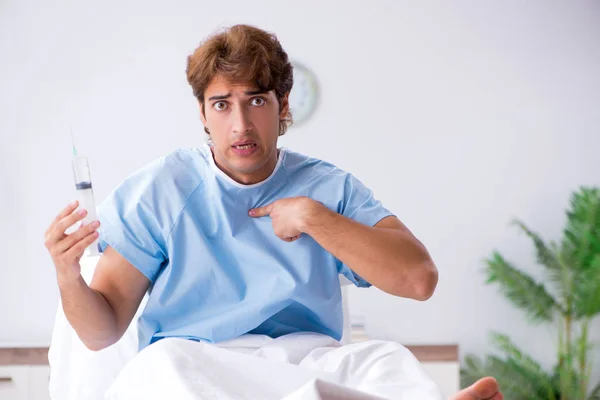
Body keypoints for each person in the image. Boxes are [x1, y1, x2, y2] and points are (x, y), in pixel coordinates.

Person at [44, 24, 501, 400]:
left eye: (256, 101)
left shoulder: (327, 187)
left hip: (308, 362)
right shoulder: (164, 188)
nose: (240, 124)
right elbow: (102, 334)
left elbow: (419, 279)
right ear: (203, 114)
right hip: (201, 362)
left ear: (283, 106)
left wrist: (313, 217)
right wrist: (68, 275)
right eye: (222, 105)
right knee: (162, 369)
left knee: (381, 360)